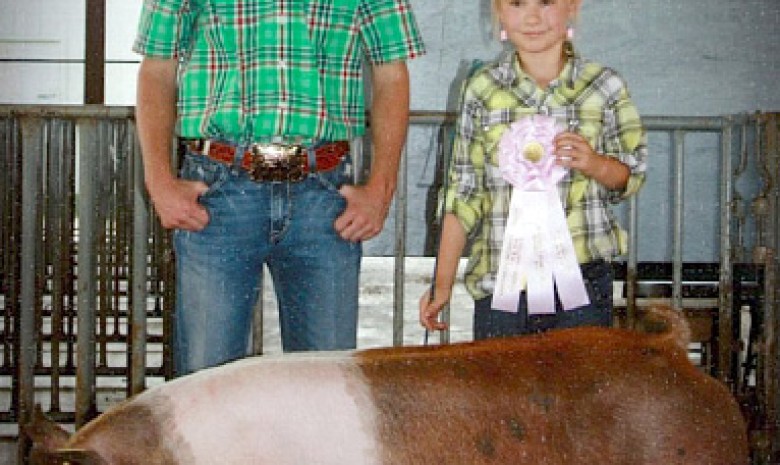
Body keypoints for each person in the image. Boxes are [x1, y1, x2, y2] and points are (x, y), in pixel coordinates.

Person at [133, 0, 425, 375]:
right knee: (207, 381)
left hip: (324, 194)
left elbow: (392, 74)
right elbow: (157, 69)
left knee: (326, 380)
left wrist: (381, 189)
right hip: (216, 193)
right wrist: (158, 180)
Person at [420, 0, 647, 339]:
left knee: (577, 393)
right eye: (516, 3)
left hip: (581, 286)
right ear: (498, 12)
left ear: (572, 6)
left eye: (546, 2)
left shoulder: (605, 86)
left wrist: (595, 164)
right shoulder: (480, 90)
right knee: (502, 393)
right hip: (502, 285)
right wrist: (442, 283)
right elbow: (462, 193)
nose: (532, 16)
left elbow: (632, 175)